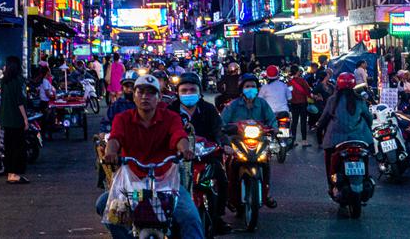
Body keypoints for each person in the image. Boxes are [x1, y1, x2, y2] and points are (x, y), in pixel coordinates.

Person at [97, 75, 202, 239]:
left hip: (167, 187)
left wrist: (185, 150)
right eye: (141, 92)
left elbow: (179, 136)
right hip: (133, 188)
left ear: (159, 97)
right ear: (134, 96)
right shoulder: (122, 119)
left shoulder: (171, 118)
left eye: (151, 93)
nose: (145, 97)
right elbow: (115, 139)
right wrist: (111, 153)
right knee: (105, 206)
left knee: (190, 217)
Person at [168, 72, 232, 235]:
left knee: (222, 180)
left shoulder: (208, 109)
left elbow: (219, 130)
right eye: (184, 90)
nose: (188, 94)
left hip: (207, 155)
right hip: (178, 158)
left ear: (199, 91)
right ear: (178, 92)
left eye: (192, 90)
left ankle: (217, 217)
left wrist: (225, 145)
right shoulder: (170, 111)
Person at [221, 74, 278, 208]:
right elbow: (222, 122)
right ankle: (230, 196)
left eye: (253, 86)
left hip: (258, 140)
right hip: (237, 141)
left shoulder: (262, 103)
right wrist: (227, 128)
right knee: (231, 165)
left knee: (265, 164)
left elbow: (271, 119)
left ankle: (266, 193)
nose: (251, 89)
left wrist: (274, 128)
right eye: (247, 86)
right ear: (242, 89)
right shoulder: (233, 105)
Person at [315, 72, 373, 194]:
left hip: (336, 140)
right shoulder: (360, 100)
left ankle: (332, 185)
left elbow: (324, 119)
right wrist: (368, 129)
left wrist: (319, 129)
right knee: (366, 155)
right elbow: (368, 117)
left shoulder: (332, 100)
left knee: (328, 159)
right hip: (359, 138)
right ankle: (366, 177)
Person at [0, 56, 30, 184]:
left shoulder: (4, 81)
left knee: (9, 147)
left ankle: (10, 174)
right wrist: (25, 119)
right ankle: (14, 174)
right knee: (18, 147)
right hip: (16, 119)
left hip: (6, 119)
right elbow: (20, 101)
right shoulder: (19, 81)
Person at [288, 65, 312, 147]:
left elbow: (289, 93)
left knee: (294, 122)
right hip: (302, 103)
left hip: (294, 104)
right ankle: (304, 141)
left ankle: (293, 141)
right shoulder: (302, 81)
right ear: (297, 71)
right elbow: (308, 90)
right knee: (303, 122)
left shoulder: (289, 82)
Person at [312, 69, 335, 147]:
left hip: (330, 107)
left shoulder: (331, 85)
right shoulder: (319, 86)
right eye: (327, 75)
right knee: (321, 125)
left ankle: (326, 140)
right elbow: (312, 94)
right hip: (321, 107)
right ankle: (320, 142)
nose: (329, 76)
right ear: (325, 77)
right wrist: (317, 97)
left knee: (328, 125)